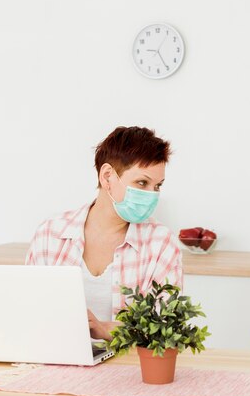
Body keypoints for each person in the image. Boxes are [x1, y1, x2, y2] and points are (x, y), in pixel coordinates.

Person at [26, 126, 182, 341]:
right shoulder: (50, 234)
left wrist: (105, 329)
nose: (151, 195)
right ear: (107, 176)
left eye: (157, 186)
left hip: (130, 367)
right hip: (57, 362)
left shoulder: (161, 243)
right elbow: (29, 314)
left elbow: (165, 327)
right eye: (142, 183)